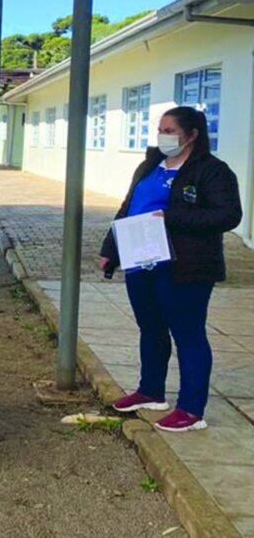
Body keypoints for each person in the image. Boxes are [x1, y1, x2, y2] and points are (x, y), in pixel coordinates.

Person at [101, 106, 242, 432]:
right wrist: (111, 249)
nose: (162, 136)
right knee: (150, 327)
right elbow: (128, 207)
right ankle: (150, 391)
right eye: (160, 130)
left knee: (188, 333)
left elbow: (228, 215)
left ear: (192, 134)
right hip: (141, 260)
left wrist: (171, 217)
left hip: (184, 266)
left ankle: (192, 409)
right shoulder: (149, 166)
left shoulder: (212, 171)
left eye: (169, 131)